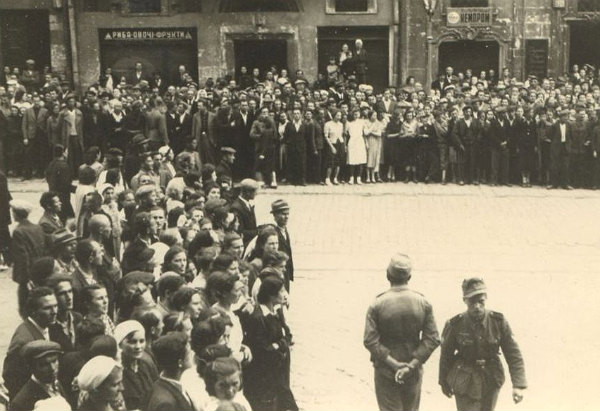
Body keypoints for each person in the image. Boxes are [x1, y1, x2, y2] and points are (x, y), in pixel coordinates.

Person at [363, 253, 440, 411]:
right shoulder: (423, 303)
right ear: (409, 277)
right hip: (413, 370)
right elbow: (432, 339)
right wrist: (411, 366)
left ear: (388, 275)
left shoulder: (377, 305)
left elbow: (370, 341)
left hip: (385, 370)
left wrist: (394, 364)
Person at [439, 278, 527, 411]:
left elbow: (513, 354)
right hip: (464, 381)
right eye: (472, 303)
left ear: (486, 298)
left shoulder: (498, 322)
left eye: (481, 302)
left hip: (491, 378)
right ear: (465, 301)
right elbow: (446, 355)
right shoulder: (455, 324)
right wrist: (444, 382)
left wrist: (518, 385)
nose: (477, 307)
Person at [243, 275, 298, 411]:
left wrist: (279, 343)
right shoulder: (258, 318)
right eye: (281, 291)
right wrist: (281, 344)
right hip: (266, 379)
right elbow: (263, 350)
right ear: (271, 295)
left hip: (279, 373)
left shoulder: (276, 311)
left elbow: (288, 334)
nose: (284, 294)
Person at [3, 287, 58, 399]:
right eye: (47, 308)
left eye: (55, 306)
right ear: (33, 311)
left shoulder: (46, 326)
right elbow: (12, 380)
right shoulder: (23, 341)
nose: (54, 312)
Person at [10, 199, 50, 316]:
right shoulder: (37, 228)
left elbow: (23, 257)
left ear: (16, 214)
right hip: (40, 270)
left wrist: (26, 279)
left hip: (27, 274)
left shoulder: (18, 231)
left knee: (25, 305)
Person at [10, 340, 68, 411]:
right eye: (44, 364)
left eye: (54, 361)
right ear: (31, 367)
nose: (52, 368)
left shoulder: (56, 384)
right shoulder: (21, 402)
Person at [114, 320, 159, 410]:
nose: (138, 346)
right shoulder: (116, 372)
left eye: (142, 341)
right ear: (119, 344)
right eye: (132, 342)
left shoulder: (146, 364)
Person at [146, 332, 195, 411]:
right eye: (189, 353)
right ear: (180, 362)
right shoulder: (165, 404)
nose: (193, 353)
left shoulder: (162, 385)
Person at [48, 274, 82, 352]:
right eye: (62, 293)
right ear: (54, 297)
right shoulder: (50, 325)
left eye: (70, 291)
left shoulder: (78, 318)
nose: (69, 297)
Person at [270, 199, 294, 292]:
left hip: (285, 272)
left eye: (287, 214)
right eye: (283, 214)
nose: (286, 217)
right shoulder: (273, 233)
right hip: (278, 273)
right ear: (275, 216)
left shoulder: (284, 230)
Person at [229, 178, 259, 247]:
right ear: (248, 192)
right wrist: (257, 232)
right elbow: (240, 231)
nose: (256, 193)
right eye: (254, 191)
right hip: (245, 244)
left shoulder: (246, 204)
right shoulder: (236, 208)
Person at [346, 108, 367, 184]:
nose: (356, 115)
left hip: (360, 141)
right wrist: (346, 144)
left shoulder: (362, 122)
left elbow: (365, 133)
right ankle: (351, 178)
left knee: (360, 160)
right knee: (352, 160)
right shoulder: (349, 123)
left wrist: (366, 143)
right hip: (352, 141)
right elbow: (346, 134)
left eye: (357, 114)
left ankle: (359, 178)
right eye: (354, 114)